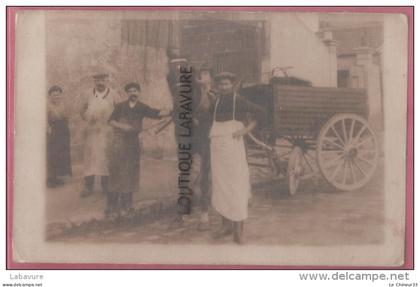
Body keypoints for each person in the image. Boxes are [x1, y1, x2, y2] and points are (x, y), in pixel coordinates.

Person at [209, 72, 260, 244]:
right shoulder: (216, 102)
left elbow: (259, 114)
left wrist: (244, 131)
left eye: (226, 84)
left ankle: (239, 231)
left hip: (233, 152)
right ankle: (226, 226)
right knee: (221, 187)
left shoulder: (238, 101)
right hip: (217, 152)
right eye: (221, 84)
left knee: (236, 187)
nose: (223, 87)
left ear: (232, 85)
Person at [106, 82, 171, 217]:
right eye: (130, 91)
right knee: (116, 171)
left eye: (135, 90)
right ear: (127, 93)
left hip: (133, 144)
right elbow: (110, 121)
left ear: (139, 92)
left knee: (130, 172)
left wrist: (173, 111)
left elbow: (157, 113)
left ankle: (127, 203)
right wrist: (122, 126)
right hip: (119, 143)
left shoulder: (142, 107)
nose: (133, 93)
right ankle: (112, 204)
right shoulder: (120, 106)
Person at [79, 72, 120, 197]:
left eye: (103, 80)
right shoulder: (88, 94)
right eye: (97, 80)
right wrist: (87, 118)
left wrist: (114, 124)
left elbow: (120, 111)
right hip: (91, 131)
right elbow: (81, 110)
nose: (100, 83)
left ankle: (106, 186)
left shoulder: (113, 94)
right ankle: (88, 187)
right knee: (89, 158)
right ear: (94, 81)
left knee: (105, 157)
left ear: (107, 81)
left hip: (107, 131)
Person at [191, 63, 215, 231]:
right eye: (200, 73)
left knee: (207, 172)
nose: (202, 77)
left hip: (212, 137)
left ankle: (205, 213)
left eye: (205, 73)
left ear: (210, 78)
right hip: (196, 136)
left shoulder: (216, 95)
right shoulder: (193, 95)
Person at [47, 85, 72, 187]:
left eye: (58, 95)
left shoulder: (63, 105)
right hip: (53, 131)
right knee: (52, 154)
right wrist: (48, 130)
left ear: (61, 95)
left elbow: (67, 117)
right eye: (54, 95)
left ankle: (57, 177)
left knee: (61, 154)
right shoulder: (47, 106)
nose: (56, 97)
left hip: (63, 131)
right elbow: (44, 120)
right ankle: (51, 179)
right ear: (50, 96)